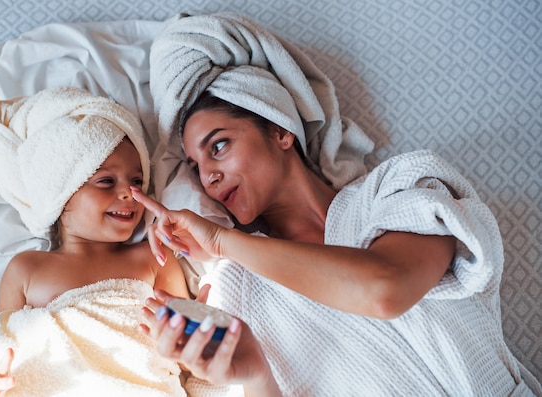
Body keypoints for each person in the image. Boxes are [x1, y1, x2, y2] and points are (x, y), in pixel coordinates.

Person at [136, 11, 540, 396]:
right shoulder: (237, 289)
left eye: (219, 146)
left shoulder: (399, 189)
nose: (207, 176)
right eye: (195, 165)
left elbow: (385, 288)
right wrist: (256, 375)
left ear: (280, 131)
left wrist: (223, 241)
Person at [0, 86, 190, 397]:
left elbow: (191, 348)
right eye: (105, 181)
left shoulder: (154, 257)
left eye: (138, 181)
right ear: (61, 194)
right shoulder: (27, 268)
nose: (130, 193)